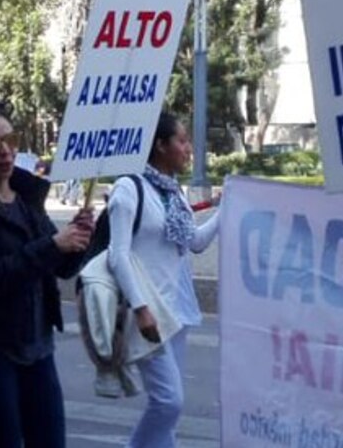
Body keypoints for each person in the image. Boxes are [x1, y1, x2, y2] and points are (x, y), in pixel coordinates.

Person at [0, 105, 93, 448]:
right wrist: (54, 245)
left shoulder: (27, 198)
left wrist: (82, 238)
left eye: (10, 140)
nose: (5, 150)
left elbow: (61, 268)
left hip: (38, 347)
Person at [106, 112, 220, 448]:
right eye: (182, 141)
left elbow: (195, 243)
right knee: (168, 401)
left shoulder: (174, 192)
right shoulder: (128, 188)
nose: (188, 149)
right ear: (160, 145)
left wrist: (226, 211)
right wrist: (141, 308)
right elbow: (118, 254)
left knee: (169, 411)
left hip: (176, 313)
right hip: (146, 313)